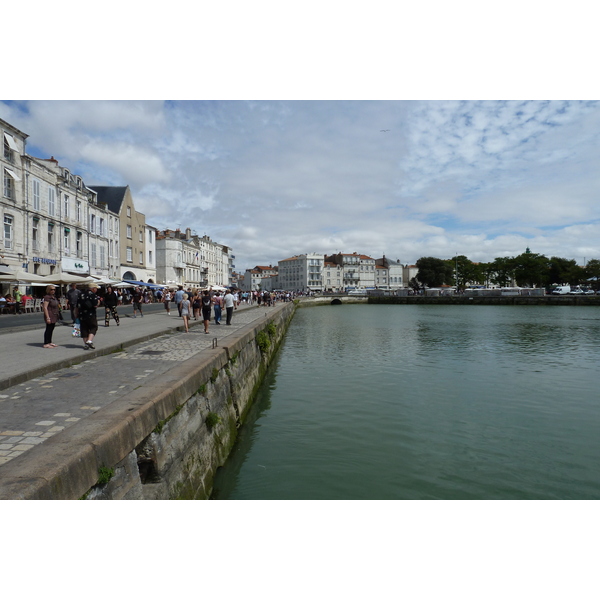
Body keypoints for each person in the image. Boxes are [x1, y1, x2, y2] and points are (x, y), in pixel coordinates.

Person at [76, 282, 99, 350]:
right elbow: (95, 305)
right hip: (90, 314)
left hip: (81, 315)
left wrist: (76, 314)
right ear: (93, 289)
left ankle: (86, 344)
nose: (96, 290)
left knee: (84, 329)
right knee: (93, 327)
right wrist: (98, 302)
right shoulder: (93, 295)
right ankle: (89, 341)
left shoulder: (81, 294)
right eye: (96, 288)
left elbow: (77, 306)